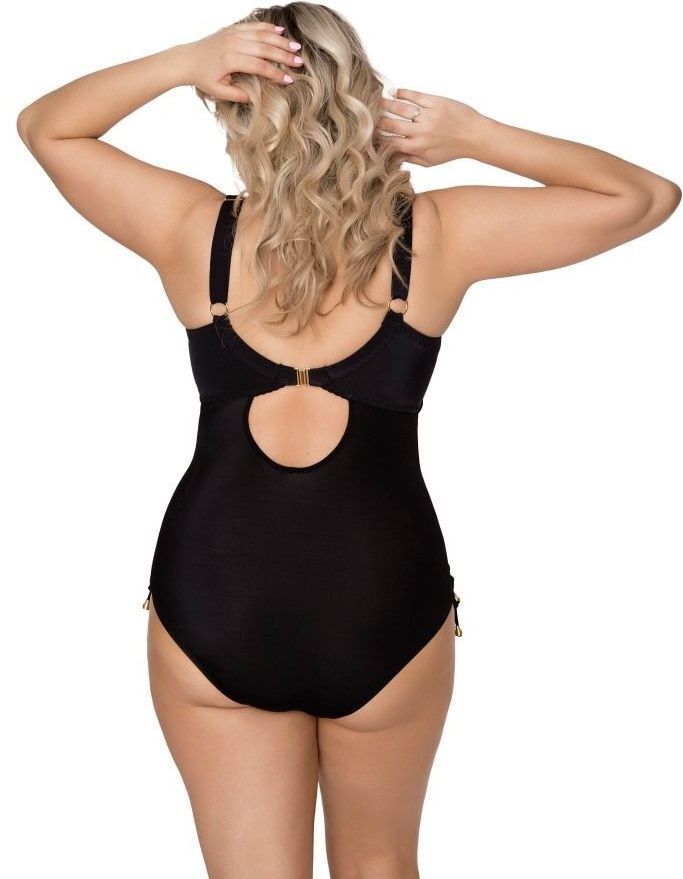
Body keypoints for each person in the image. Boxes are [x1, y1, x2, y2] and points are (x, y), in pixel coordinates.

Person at [16, 3, 680, 877]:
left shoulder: (190, 230)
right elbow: (643, 198)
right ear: (363, 97)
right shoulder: (437, 235)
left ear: (234, 107)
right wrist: (475, 134)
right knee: (378, 864)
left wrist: (183, 59)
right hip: (380, 596)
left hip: (217, 592)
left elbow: (47, 128)